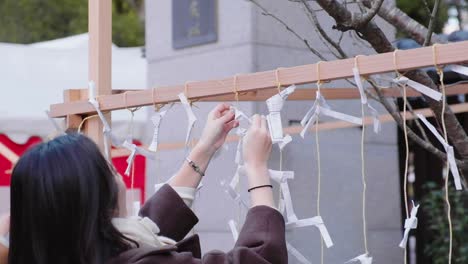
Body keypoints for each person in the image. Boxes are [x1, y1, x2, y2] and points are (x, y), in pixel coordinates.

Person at [4, 103, 287, 264]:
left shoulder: (69, 250)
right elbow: (261, 260)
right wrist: (257, 168)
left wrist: (204, 148)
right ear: (96, 198)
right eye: (110, 169)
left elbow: (147, 227)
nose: (117, 175)